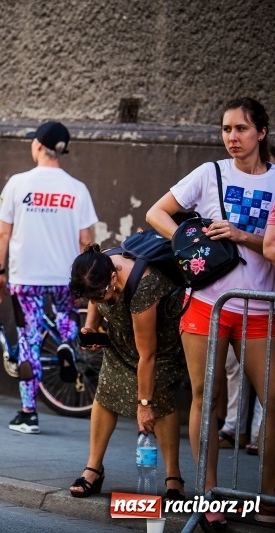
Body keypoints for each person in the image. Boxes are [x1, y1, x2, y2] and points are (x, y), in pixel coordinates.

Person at [150, 96, 275, 525]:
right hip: (207, 303)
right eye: (226, 129)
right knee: (207, 397)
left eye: (241, 129)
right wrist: (190, 242)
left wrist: (240, 235)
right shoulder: (210, 173)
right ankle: (208, 498)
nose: (232, 137)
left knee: (272, 401)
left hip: (259, 307)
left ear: (261, 131)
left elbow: (269, 246)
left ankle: (268, 499)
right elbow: (156, 213)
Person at [0, 121, 97, 434]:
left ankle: (29, 413)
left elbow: (3, 234)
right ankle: (66, 343)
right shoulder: (77, 189)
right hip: (64, 277)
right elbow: (86, 240)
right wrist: (84, 280)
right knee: (65, 316)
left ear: (38, 146)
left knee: (28, 342)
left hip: (26, 277)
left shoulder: (17, 183)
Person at [67, 244, 186, 500]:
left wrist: (144, 404)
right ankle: (93, 469)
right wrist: (91, 327)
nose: (95, 301)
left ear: (113, 277)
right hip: (121, 339)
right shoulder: (98, 265)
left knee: (160, 397)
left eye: (99, 295)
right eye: (90, 297)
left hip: (160, 346)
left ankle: (173, 477)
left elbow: (147, 355)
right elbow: (94, 298)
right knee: (106, 391)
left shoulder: (143, 286)